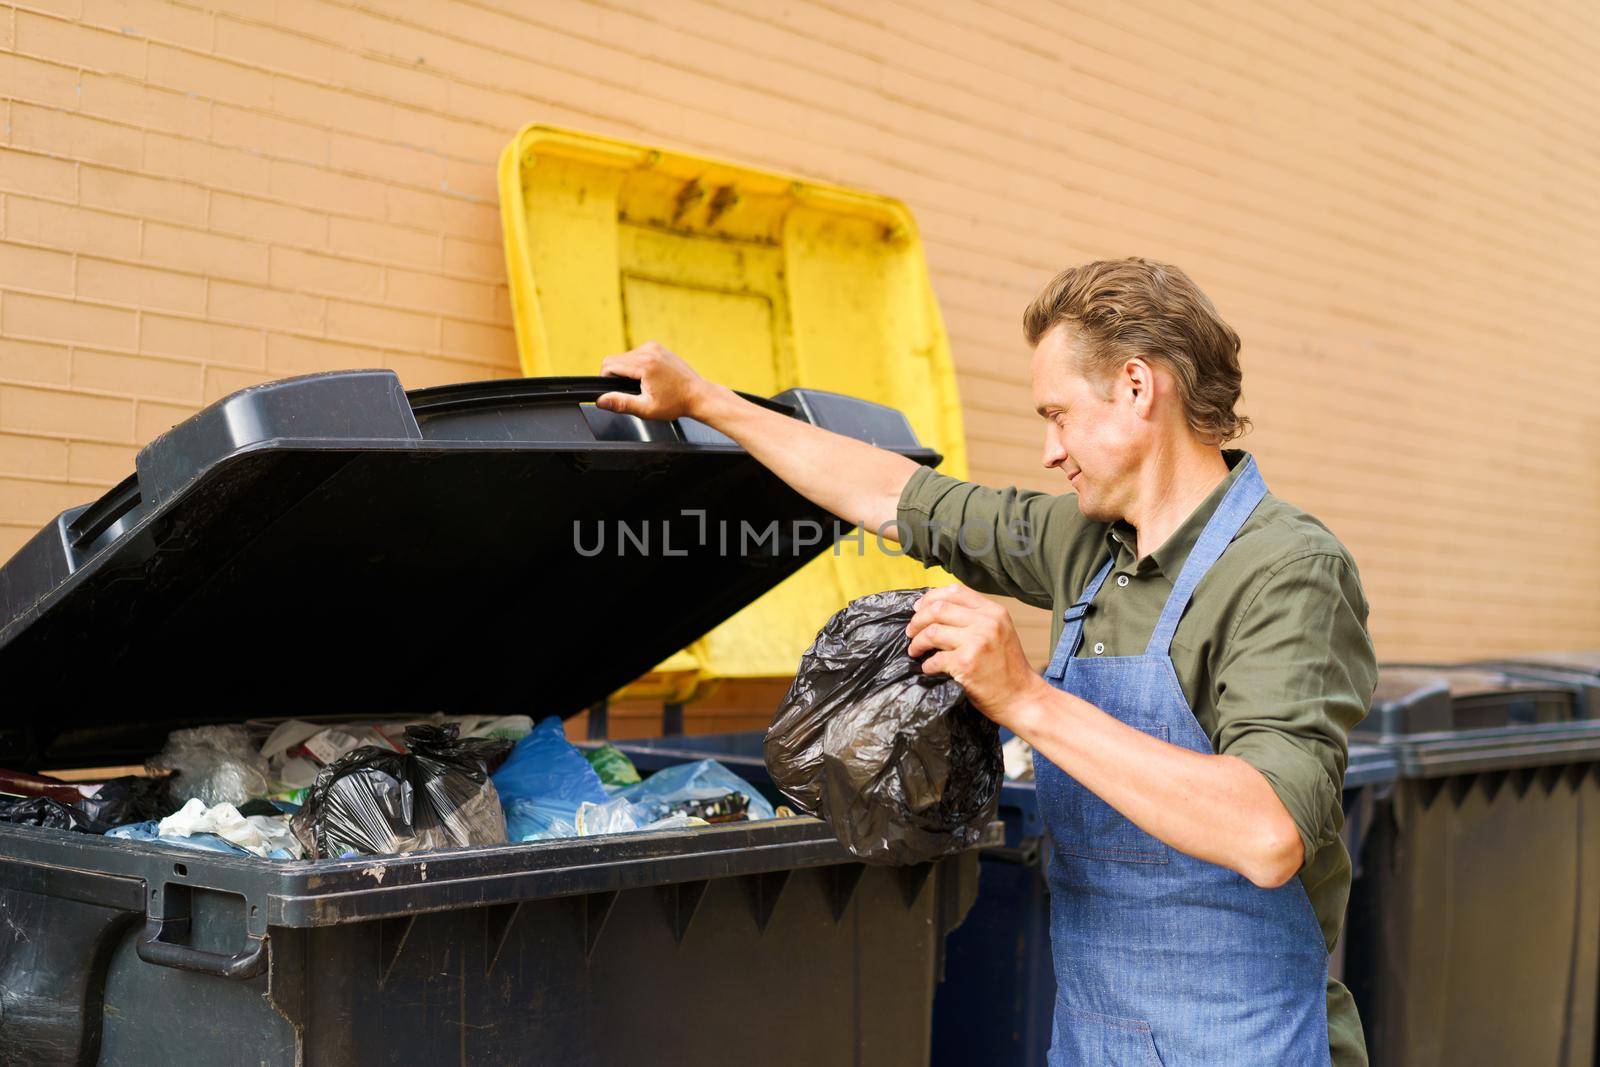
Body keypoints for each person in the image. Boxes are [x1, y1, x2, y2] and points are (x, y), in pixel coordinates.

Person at [596, 257, 1375, 1066]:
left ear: (1138, 388)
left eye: (1058, 414)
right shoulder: (1084, 543)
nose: (1049, 450)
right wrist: (706, 402)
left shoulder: (1287, 569)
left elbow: (1266, 830)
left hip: (1246, 1043)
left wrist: (1027, 700)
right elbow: (894, 497)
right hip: (1096, 1035)